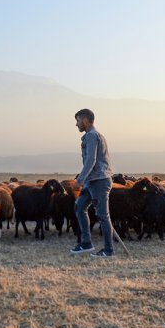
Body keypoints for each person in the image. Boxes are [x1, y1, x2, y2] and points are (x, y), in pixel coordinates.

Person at [69, 108, 115, 257]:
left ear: (85, 120)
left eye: (77, 120)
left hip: (99, 181)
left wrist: (79, 180)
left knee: (102, 215)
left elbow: (91, 160)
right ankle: (86, 243)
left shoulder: (91, 136)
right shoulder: (93, 135)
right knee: (79, 206)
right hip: (93, 181)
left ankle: (108, 250)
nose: (76, 124)